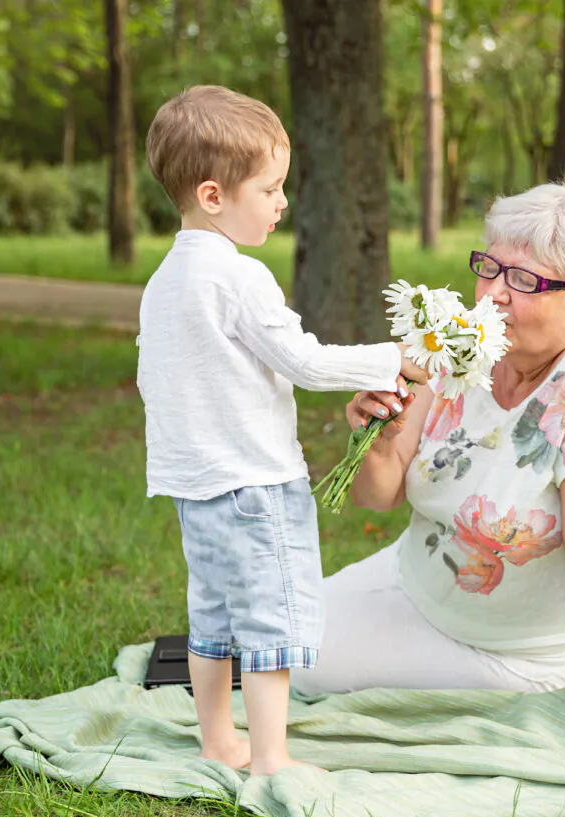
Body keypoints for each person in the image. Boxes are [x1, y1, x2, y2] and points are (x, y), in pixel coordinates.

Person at [292, 184, 565, 779]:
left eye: (524, 281)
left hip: (521, 647)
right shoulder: (460, 341)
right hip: (415, 577)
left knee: (279, 659)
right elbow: (380, 494)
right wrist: (375, 434)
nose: (493, 295)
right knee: (268, 621)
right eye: (490, 268)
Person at [136, 85, 430, 776]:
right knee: (276, 620)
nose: (281, 202)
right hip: (256, 483)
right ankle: (271, 759)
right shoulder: (240, 277)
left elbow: (154, 378)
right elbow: (301, 360)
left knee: (211, 620)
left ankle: (217, 741)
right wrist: (395, 358)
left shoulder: (164, 280)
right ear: (213, 195)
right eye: (269, 188)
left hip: (195, 486)